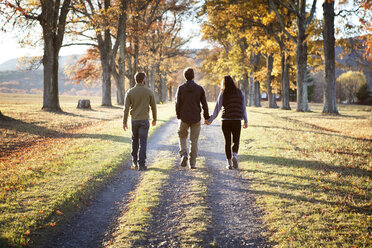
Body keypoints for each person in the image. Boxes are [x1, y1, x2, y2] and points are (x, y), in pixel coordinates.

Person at [206, 75, 248, 169]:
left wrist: (211, 119)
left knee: (227, 142)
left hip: (226, 120)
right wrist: (245, 121)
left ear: (223, 83)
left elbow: (217, 107)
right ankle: (235, 155)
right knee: (236, 140)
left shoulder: (223, 93)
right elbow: (243, 108)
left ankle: (229, 164)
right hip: (237, 120)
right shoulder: (240, 93)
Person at [175, 67, 210, 169]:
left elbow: (177, 103)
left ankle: (184, 154)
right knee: (194, 140)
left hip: (184, 117)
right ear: (193, 76)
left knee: (182, 136)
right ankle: (193, 163)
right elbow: (204, 104)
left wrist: (178, 115)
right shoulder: (199, 89)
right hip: (196, 117)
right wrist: (206, 117)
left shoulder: (181, 88)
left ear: (184, 76)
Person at [123, 72, 157, 171]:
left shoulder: (130, 92)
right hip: (144, 121)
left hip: (134, 121)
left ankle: (134, 161)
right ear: (143, 79)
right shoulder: (149, 91)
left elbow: (126, 109)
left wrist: (124, 122)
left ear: (135, 80)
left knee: (134, 141)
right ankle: (142, 164)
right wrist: (154, 119)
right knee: (143, 142)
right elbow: (154, 107)